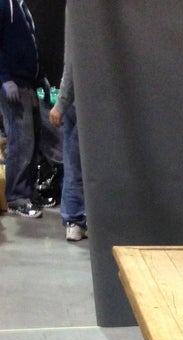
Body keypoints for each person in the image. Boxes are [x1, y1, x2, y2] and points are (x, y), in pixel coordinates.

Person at [0, 0, 49, 218]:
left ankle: (28, 192)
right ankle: (16, 196)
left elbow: (30, 46)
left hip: (28, 82)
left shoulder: (19, 6)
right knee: (21, 140)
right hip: (14, 84)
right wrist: (4, 78)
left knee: (33, 139)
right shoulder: (4, 4)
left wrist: (41, 77)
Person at [49, 5, 85, 240]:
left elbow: (72, 61)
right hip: (98, 107)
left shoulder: (79, 9)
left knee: (75, 168)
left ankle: (74, 219)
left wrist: (60, 104)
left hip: (77, 105)